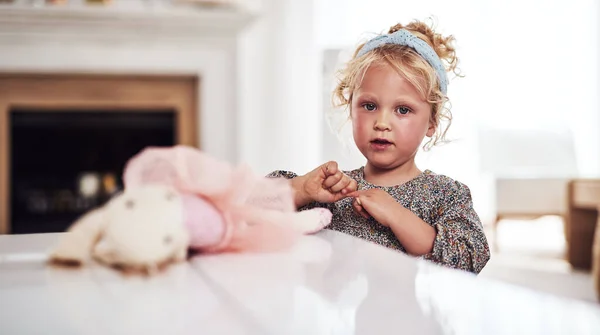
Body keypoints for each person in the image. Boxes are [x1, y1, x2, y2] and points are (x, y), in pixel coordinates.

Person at [267, 20, 490, 274]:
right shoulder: (334, 192)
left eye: (402, 110)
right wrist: (301, 188)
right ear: (351, 109)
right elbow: (243, 211)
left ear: (431, 123)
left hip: (411, 314)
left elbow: (469, 259)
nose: (382, 123)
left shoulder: (445, 195)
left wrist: (397, 215)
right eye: (370, 106)